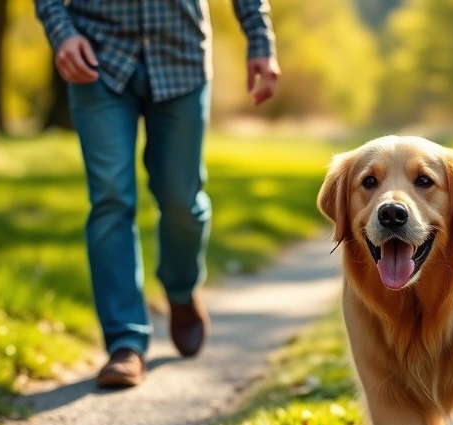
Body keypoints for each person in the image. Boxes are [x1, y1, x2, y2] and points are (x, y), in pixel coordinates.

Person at [34, 0, 280, 388]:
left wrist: (259, 40)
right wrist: (61, 32)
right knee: (111, 198)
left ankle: (181, 289)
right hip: (96, 55)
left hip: (180, 56)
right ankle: (125, 342)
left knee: (182, 200)